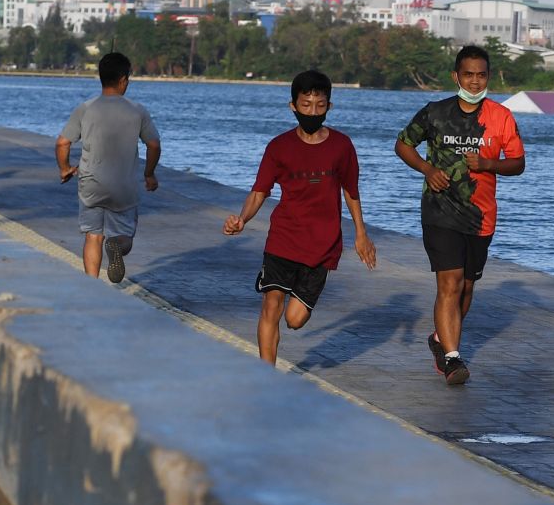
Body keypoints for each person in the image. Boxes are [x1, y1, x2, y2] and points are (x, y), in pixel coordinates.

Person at [223, 69, 376, 366]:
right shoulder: (278, 147)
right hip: (283, 239)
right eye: (306, 105)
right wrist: (242, 219)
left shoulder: (342, 146)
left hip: (323, 244)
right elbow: (259, 192)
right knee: (271, 306)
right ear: (292, 106)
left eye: (320, 106)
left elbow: (351, 192)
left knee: (294, 320)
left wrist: (361, 234)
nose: (313, 111)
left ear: (329, 106)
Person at [394, 45, 525, 385]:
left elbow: (518, 163)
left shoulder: (501, 117)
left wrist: (488, 164)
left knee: (466, 289)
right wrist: (426, 169)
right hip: (439, 211)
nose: (475, 80)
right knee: (449, 283)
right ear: (456, 76)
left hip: (480, 215)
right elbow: (403, 144)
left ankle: (440, 339)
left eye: (481, 75)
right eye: (468, 74)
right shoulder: (435, 112)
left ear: (488, 77)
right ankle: (453, 359)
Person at [56, 52, 161, 283]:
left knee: (93, 237)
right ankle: (117, 246)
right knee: (125, 238)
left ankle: (92, 288)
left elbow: (62, 142)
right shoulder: (138, 110)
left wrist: (65, 168)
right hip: (124, 187)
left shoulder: (85, 108)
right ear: (123, 80)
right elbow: (153, 145)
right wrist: (149, 173)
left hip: (91, 184)